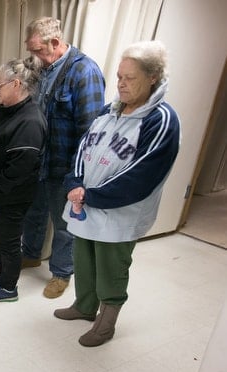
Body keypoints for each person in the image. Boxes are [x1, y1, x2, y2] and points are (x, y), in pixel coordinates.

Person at [54, 40, 180, 347]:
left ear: (153, 77)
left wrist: (91, 195)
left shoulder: (161, 119)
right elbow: (84, 149)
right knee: (83, 259)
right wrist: (74, 183)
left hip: (119, 214)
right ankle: (84, 307)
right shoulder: (108, 111)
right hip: (87, 205)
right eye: (120, 76)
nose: (121, 84)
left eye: (130, 78)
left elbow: (142, 175)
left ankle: (106, 324)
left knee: (111, 268)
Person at [20, 17, 106, 299]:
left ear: (55, 43)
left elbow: (90, 132)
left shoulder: (84, 71)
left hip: (64, 166)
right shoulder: (44, 69)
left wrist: (77, 176)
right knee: (33, 213)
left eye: (38, 50)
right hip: (40, 162)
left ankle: (60, 273)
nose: (34, 56)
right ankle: (31, 254)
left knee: (64, 224)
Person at [0, 58, 47, 303]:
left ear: (16, 84)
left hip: (8, 198)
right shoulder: (9, 112)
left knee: (10, 242)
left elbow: (20, 169)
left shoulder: (29, 121)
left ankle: (7, 287)